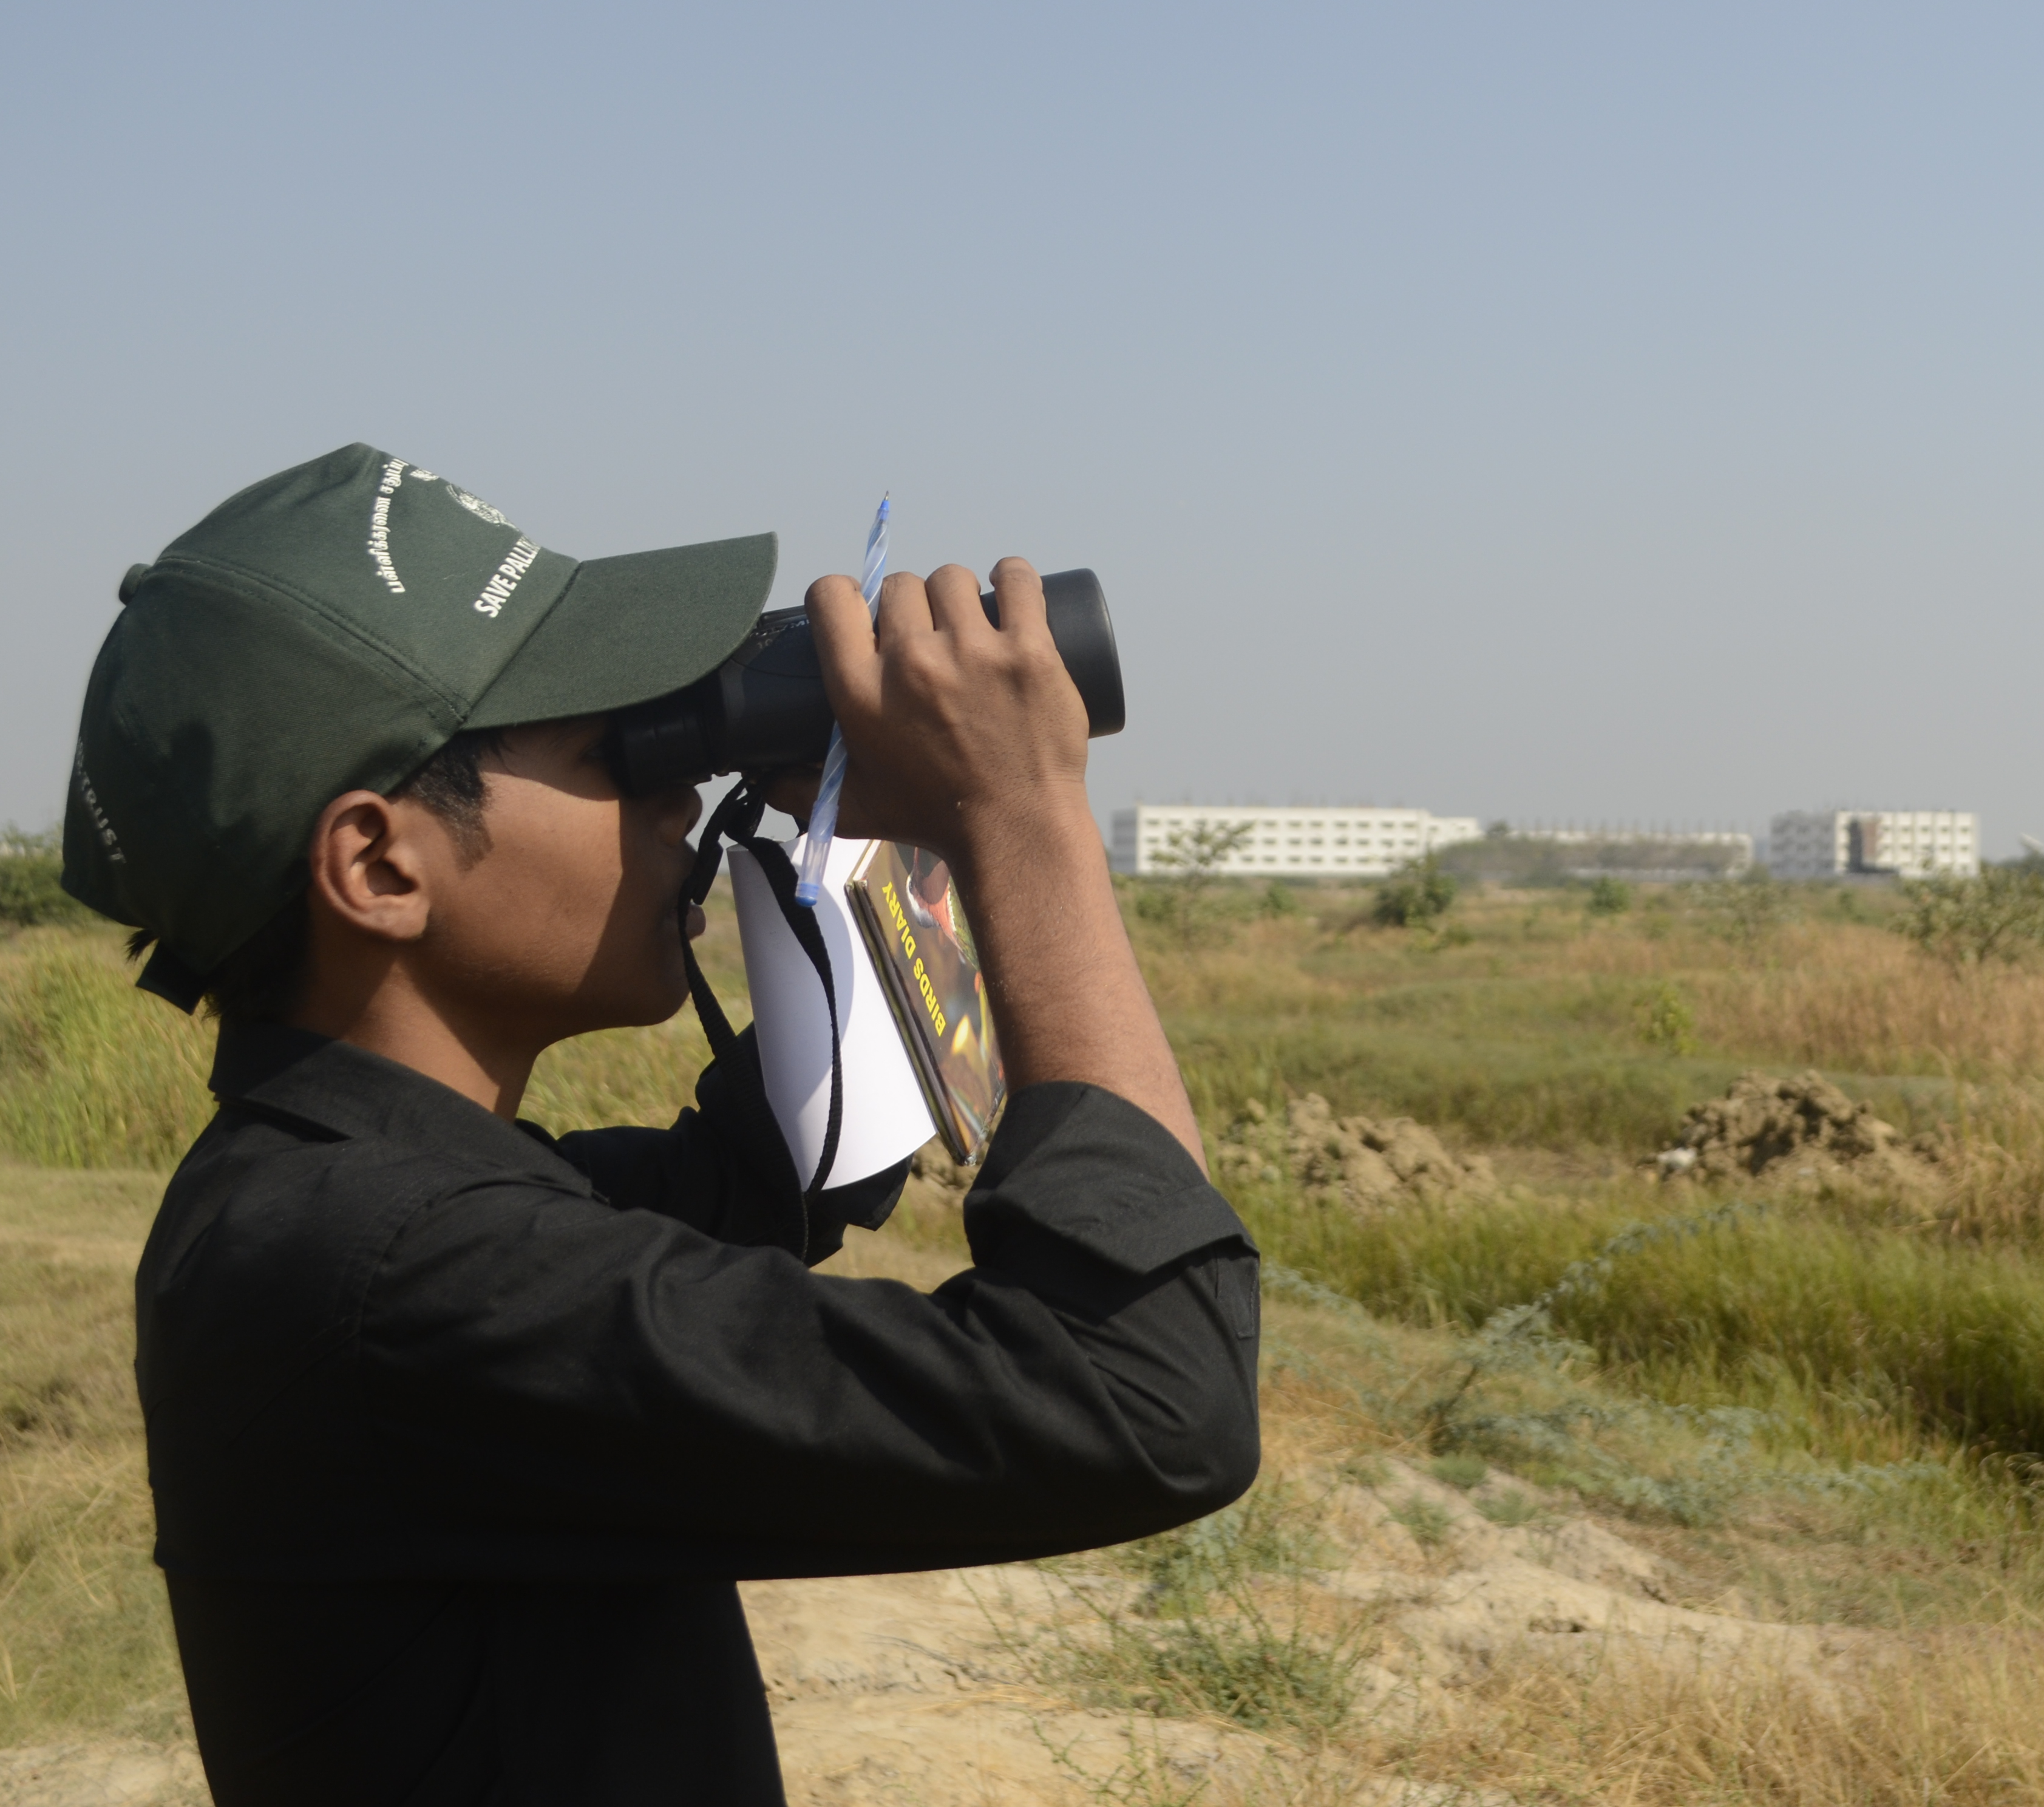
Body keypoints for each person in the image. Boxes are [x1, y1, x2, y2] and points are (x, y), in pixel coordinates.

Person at [62, 444, 1258, 1805]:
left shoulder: (338, 1194)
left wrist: (858, 830)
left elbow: (781, 1174)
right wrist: (1023, 814)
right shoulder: (396, 1275)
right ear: (382, 863)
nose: (675, 796)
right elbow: (1151, 1398)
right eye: (614, 752)